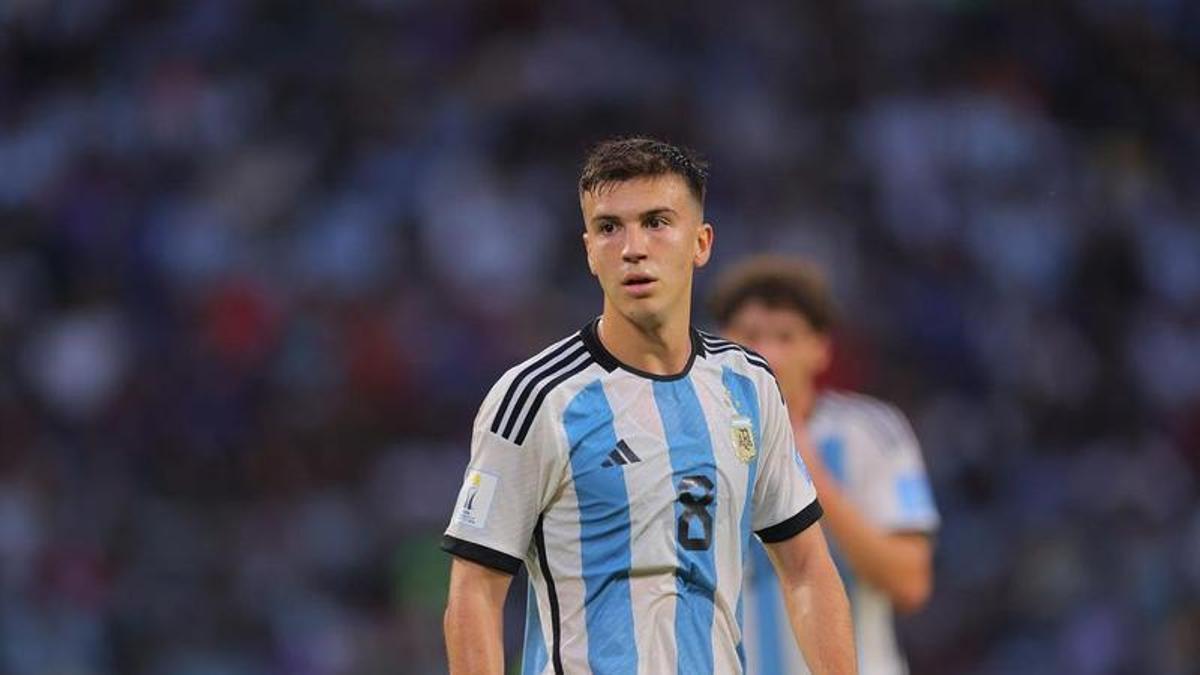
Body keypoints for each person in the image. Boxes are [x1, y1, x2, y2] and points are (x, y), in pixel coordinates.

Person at [441, 138, 856, 675]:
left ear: (701, 243)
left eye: (657, 222)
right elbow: (473, 593)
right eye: (610, 227)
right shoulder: (537, 398)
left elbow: (806, 569)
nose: (633, 248)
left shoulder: (747, 385)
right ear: (589, 249)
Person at [710, 256, 940, 675]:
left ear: (820, 349)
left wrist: (810, 477)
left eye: (786, 336)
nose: (767, 353)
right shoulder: (692, 442)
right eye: (750, 335)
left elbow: (910, 583)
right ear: (722, 345)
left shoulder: (872, 435)